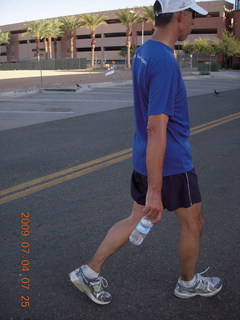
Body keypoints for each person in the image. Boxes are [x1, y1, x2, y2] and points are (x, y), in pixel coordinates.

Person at [69, 0, 222, 304]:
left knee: (135, 218)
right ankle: (188, 283)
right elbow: (156, 127)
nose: (192, 23)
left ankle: (89, 272)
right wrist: (156, 190)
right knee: (194, 223)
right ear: (180, 16)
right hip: (171, 163)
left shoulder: (144, 52)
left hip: (145, 156)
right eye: (192, 16)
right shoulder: (164, 61)